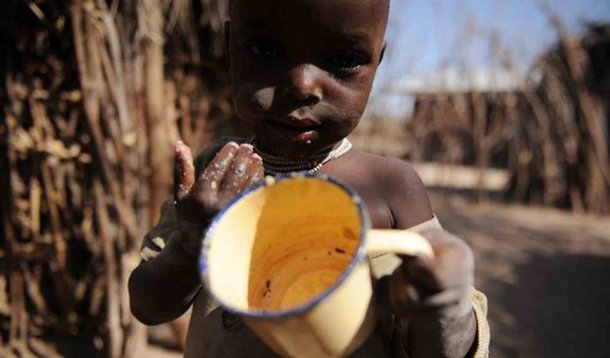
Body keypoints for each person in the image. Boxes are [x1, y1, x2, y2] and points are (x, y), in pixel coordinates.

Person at [128, 0, 490, 356]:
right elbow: (147, 305)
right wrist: (191, 242)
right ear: (229, 47)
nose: (302, 86)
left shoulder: (391, 188)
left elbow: (443, 350)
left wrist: (446, 310)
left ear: (377, 61)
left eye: (344, 60)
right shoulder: (215, 177)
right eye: (265, 49)